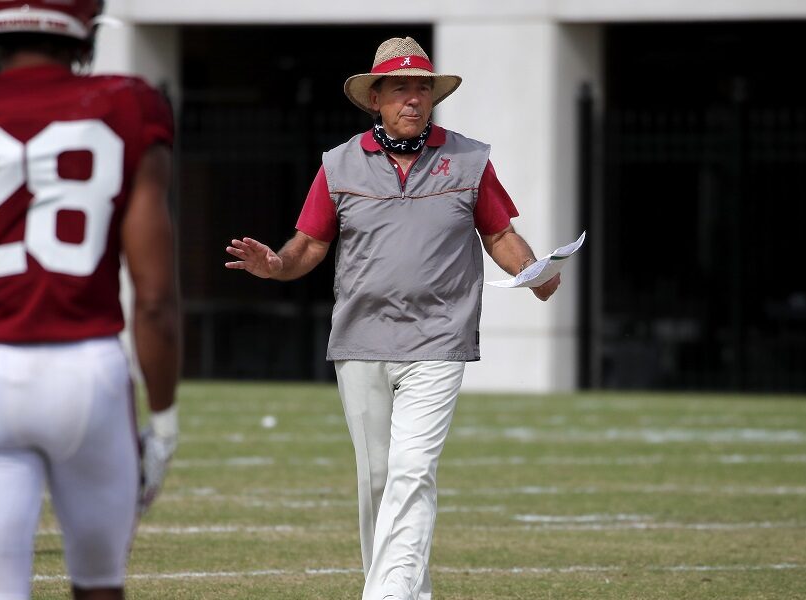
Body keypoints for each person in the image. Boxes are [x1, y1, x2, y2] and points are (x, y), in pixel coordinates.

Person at [226, 36, 561, 600]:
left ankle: (384, 595)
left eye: (423, 88)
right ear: (375, 97)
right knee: (378, 482)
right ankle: (407, 590)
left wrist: (534, 272)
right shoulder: (339, 163)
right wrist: (275, 265)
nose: (414, 99)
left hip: (439, 339)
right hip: (359, 340)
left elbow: (499, 234)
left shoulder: (468, 158)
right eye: (401, 88)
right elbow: (308, 247)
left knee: (412, 471)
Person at [0, 1, 181, 599]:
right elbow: (154, 300)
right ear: (84, 34)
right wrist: (165, 421)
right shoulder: (126, 102)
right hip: (89, 369)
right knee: (99, 588)